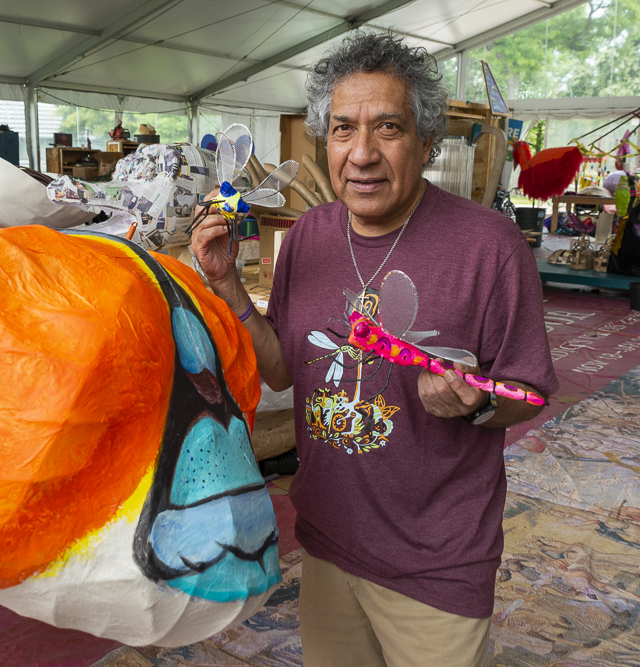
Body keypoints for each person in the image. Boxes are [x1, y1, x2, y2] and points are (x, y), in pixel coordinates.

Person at [191, 32, 557, 667]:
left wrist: (472, 407)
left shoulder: (489, 245)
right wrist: (229, 291)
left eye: (387, 127)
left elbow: (529, 391)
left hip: (437, 561)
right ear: (324, 140)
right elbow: (283, 366)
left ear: (425, 142)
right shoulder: (308, 234)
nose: (361, 154)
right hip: (329, 540)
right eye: (342, 129)